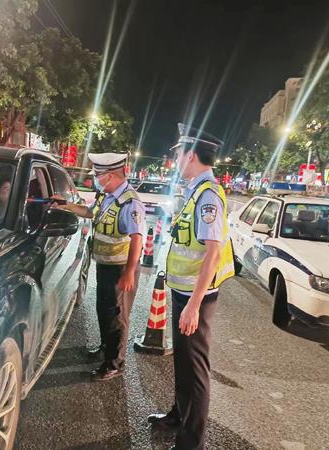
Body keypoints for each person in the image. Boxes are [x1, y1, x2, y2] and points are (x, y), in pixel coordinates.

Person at [148, 123, 235, 450]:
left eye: (179, 155)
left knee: (196, 372)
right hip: (184, 292)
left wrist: (194, 305)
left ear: (192, 155)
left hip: (196, 297)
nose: (176, 161)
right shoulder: (196, 190)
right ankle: (178, 417)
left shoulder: (208, 196)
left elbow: (213, 253)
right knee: (183, 363)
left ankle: (191, 443)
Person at [54, 152, 146, 381]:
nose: (95, 179)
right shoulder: (107, 196)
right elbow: (89, 212)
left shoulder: (129, 202)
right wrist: (65, 205)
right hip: (106, 265)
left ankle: (115, 363)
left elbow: (137, 238)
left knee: (117, 316)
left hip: (120, 268)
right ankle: (106, 348)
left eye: (97, 175)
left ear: (110, 175)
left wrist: (129, 273)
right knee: (104, 311)